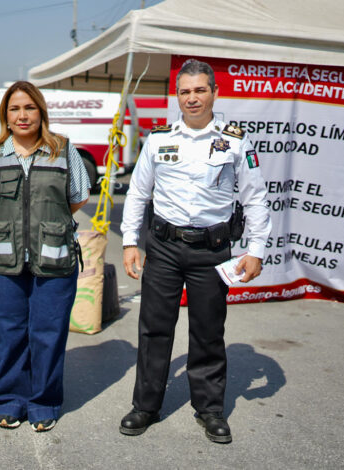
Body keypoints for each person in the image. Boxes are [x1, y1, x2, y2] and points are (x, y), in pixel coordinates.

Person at [119, 59, 271, 443]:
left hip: (212, 251)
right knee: (154, 329)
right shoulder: (159, 139)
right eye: (185, 91)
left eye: (200, 89)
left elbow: (255, 199)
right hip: (164, 247)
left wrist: (256, 250)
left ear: (214, 93)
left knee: (207, 332)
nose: (192, 98)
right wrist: (130, 242)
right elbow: (138, 193)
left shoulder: (235, 142)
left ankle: (210, 409)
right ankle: (146, 406)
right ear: (177, 96)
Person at [0, 81, 90, 432]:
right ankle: (9, 401)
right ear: (5, 115)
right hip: (5, 261)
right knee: (11, 333)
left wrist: (48, 220)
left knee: (49, 334)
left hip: (55, 259)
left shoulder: (63, 150)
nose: (22, 116)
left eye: (29, 108)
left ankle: (44, 403)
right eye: (14, 109)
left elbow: (78, 196)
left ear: (41, 112)